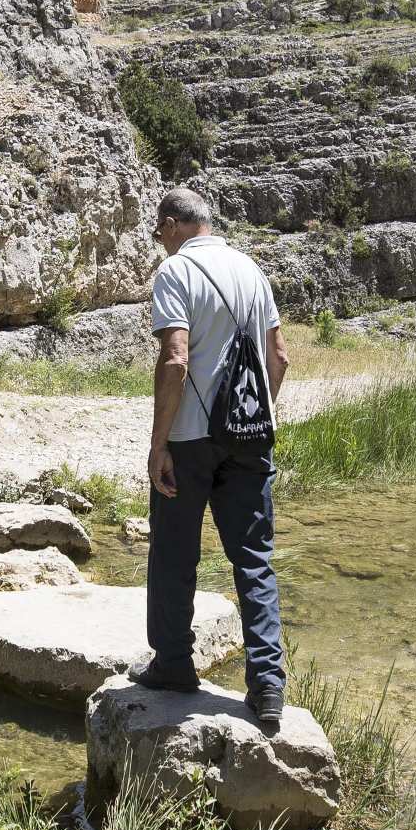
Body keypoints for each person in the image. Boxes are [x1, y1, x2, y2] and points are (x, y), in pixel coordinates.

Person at [133, 186, 291, 730]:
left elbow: (175, 359)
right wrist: (255, 420)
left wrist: (159, 444)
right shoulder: (252, 270)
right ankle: (267, 687)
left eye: (159, 229)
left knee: (175, 554)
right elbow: (279, 358)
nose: (159, 239)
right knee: (254, 557)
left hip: (191, 440)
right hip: (250, 437)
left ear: (175, 223)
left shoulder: (175, 273)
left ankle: (175, 665)